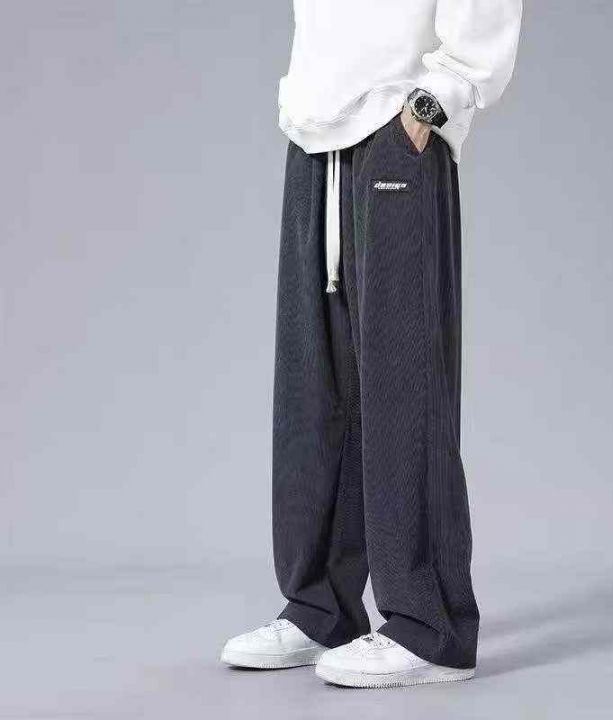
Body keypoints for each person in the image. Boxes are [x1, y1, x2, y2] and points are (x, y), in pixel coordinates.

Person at [221, 0, 522, 688]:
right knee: (313, 384)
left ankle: (431, 626)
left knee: (403, 379)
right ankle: (321, 607)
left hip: (396, 128)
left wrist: (432, 104)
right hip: (315, 138)